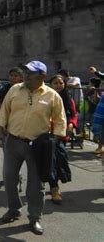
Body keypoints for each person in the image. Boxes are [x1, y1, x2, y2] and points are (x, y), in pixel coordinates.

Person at [0, 60, 66, 235]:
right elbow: (5, 110)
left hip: (37, 147)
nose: (26, 75)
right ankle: (14, 209)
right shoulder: (15, 89)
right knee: (9, 178)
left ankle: (34, 218)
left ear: (42, 76)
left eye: (30, 73)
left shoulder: (52, 96)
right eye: (25, 72)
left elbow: (60, 121)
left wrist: (53, 142)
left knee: (36, 185)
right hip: (12, 142)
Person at [48, 74, 77, 204]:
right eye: (55, 83)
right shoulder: (46, 98)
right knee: (51, 162)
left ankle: (55, 183)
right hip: (48, 135)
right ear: (50, 85)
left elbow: (73, 114)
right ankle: (54, 188)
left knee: (61, 159)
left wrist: (72, 124)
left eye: (61, 83)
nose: (58, 85)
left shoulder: (68, 98)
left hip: (62, 135)